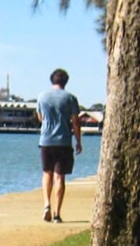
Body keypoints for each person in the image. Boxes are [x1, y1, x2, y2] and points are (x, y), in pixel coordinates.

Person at [36, 68, 82, 223]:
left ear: (52, 80)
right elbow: (76, 122)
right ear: (65, 82)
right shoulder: (70, 98)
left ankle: (46, 204)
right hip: (63, 140)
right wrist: (78, 141)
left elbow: (40, 117)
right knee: (59, 177)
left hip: (46, 141)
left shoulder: (42, 97)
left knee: (46, 173)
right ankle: (57, 214)